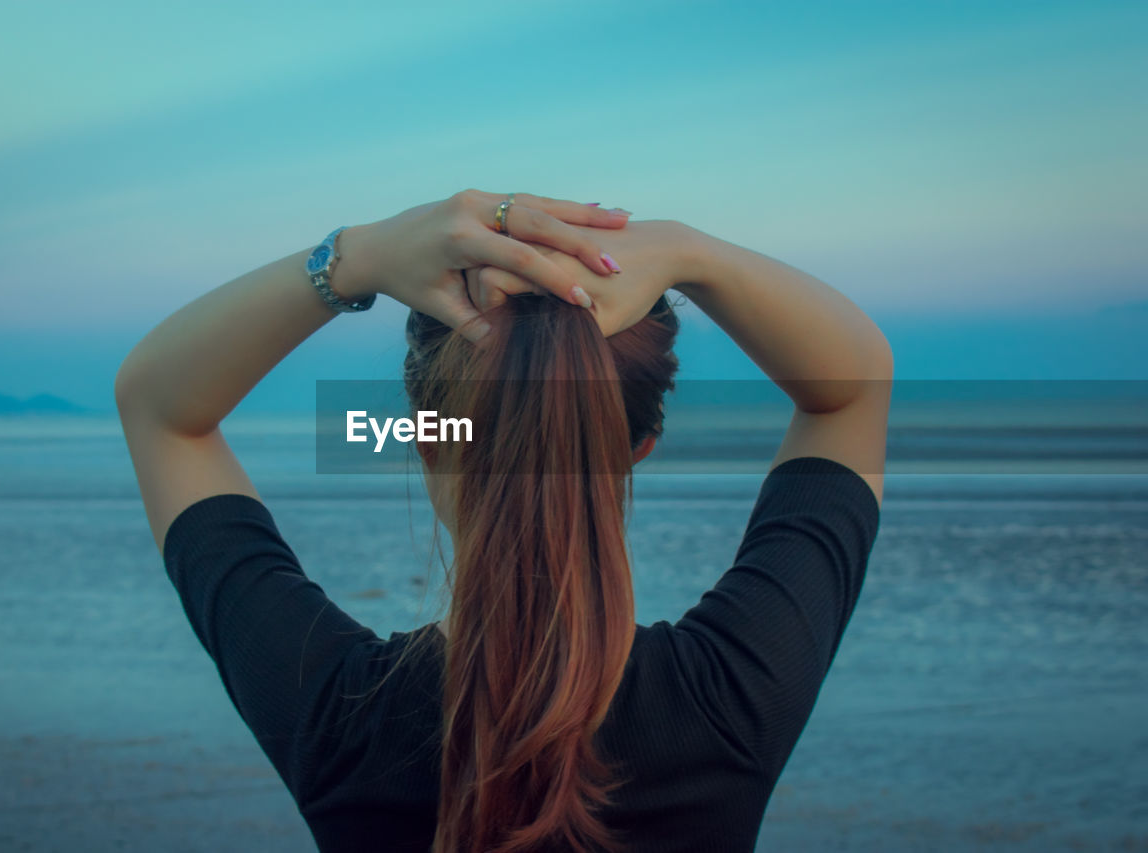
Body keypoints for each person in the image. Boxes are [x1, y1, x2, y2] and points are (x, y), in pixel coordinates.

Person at [115, 189, 892, 853]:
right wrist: (691, 251)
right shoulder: (732, 697)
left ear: (425, 437)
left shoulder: (338, 716)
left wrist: (355, 256)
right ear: (638, 448)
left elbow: (161, 407)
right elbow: (853, 388)